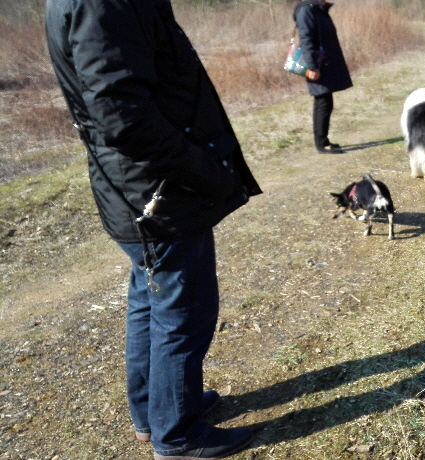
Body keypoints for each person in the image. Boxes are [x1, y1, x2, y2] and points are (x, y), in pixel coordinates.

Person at [44, 0, 262, 458]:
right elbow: (123, 116)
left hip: (140, 187)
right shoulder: (104, 4)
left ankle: (155, 411)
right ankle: (177, 434)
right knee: (183, 310)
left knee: (152, 300)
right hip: (157, 191)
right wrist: (202, 171)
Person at [293, 0, 353, 153]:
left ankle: (323, 141)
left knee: (325, 101)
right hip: (316, 64)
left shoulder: (317, 9)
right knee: (323, 102)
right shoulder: (306, 10)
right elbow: (306, 40)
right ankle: (322, 144)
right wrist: (312, 66)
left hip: (323, 63)